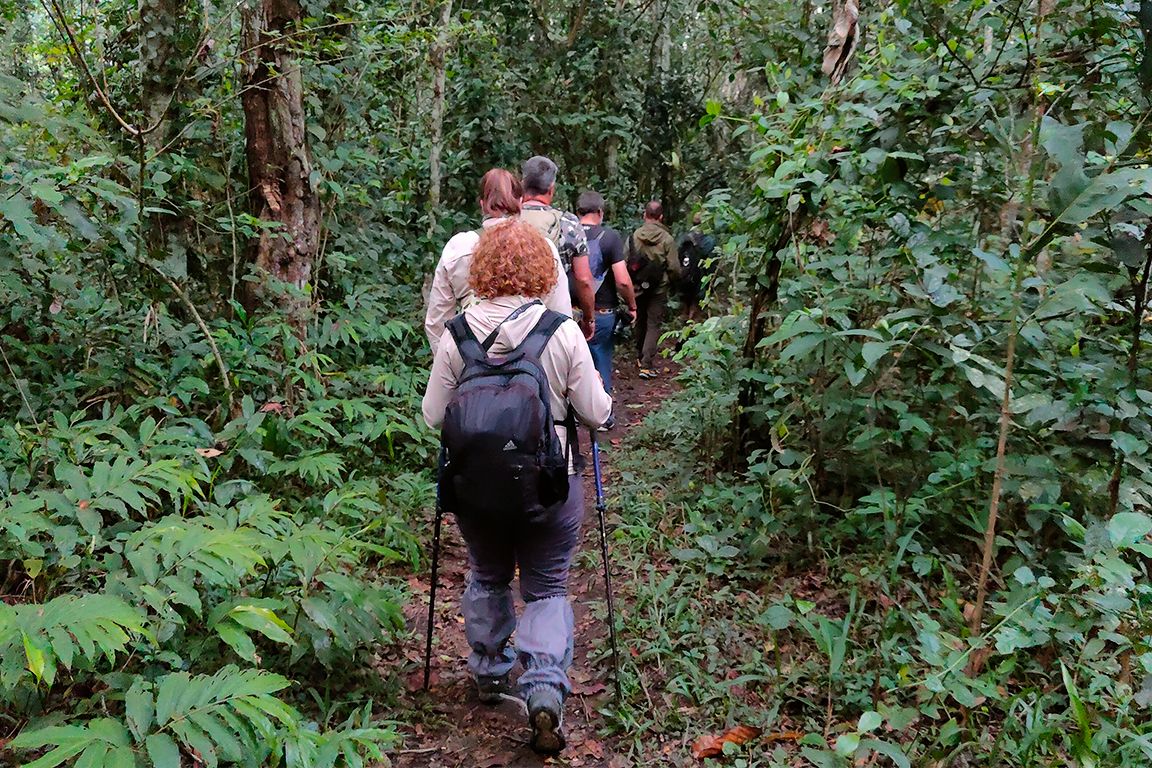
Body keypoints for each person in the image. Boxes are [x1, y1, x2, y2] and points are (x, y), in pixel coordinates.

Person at [422, 219, 612, 755]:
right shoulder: (560, 330)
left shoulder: (458, 334)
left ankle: (489, 671)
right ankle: (544, 686)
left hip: (476, 489)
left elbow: (433, 416)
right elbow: (597, 414)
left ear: (481, 270)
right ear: (542, 271)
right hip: (551, 485)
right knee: (547, 586)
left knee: (487, 574)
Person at [424, 168, 572, 356]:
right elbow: (560, 316)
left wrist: (452, 362)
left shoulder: (459, 247)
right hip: (529, 360)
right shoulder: (543, 248)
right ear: (521, 202)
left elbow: (437, 321)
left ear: (482, 205)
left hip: (472, 357)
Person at [519, 155, 596, 341]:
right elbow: (584, 279)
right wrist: (588, 319)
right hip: (553, 321)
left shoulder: (507, 220)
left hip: (512, 319)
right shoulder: (568, 223)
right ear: (551, 189)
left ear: (522, 185)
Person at [576, 190, 635, 397]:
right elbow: (622, 280)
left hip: (569, 312)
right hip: (602, 312)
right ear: (600, 212)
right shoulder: (610, 237)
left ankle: (572, 412)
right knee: (600, 361)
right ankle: (602, 410)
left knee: (571, 368)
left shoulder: (566, 234)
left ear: (578, 212)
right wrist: (632, 306)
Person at [627, 200, 681, 379]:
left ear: (645, 215)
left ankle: (639, 356)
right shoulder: (667, 239)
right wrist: (671, 282)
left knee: (640, 320)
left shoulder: (635, 235)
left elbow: (626, 260)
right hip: (658, 288)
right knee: (653, 324)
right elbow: (674, 267)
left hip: (638, 286)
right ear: (661, 217)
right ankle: (646, 364)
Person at [677, 212, 716, 323]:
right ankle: (692, 323)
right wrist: (710, 284)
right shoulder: (708, 241)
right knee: (696, 304)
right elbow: (711, 264)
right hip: (700, 279)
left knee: (687, 301)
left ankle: (685, 317)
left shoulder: (683, 238)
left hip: (684, 277)